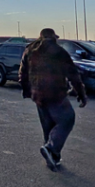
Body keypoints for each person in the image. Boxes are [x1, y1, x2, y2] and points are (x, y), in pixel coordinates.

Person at [19, 28, 87, 170]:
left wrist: (27, 91)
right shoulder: (59, 52)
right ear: (53, 37)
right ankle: (51, 149)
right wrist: (81, 93)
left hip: (38, 95)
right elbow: (73, 74)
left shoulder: (30, 51)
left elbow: (23, 73)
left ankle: (53, 159)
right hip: (55, 94)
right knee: (67, 119)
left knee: (48, 127)